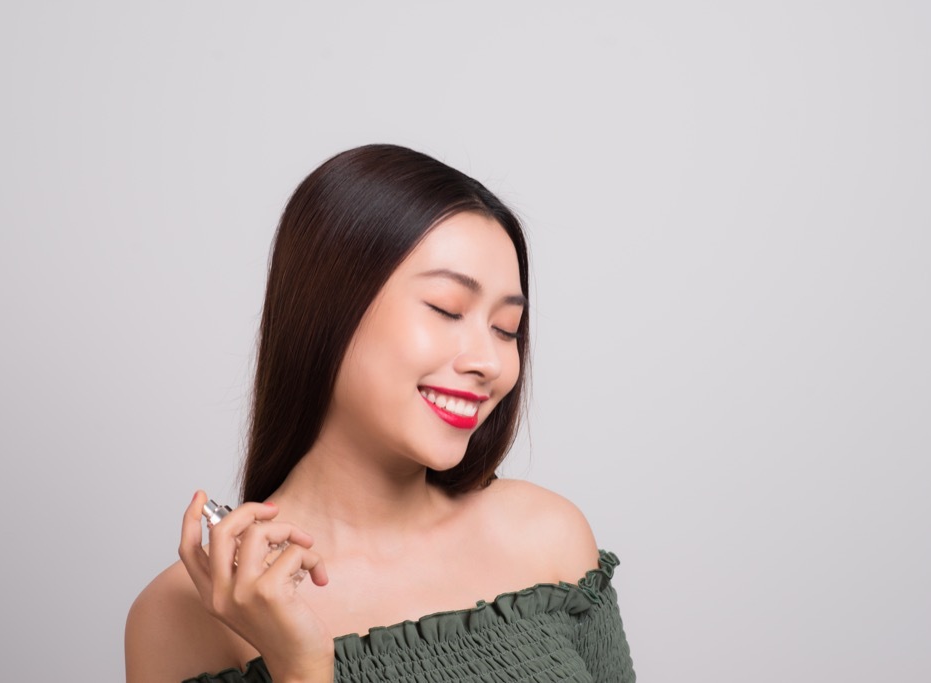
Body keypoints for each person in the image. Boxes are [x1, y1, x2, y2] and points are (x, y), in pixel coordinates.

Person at [125, 144, 635, 682]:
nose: (489, 362)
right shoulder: (185, 615)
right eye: (447, 309)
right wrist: (299, 665)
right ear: (329, 305)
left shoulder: (547, 538)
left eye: (506, 329)